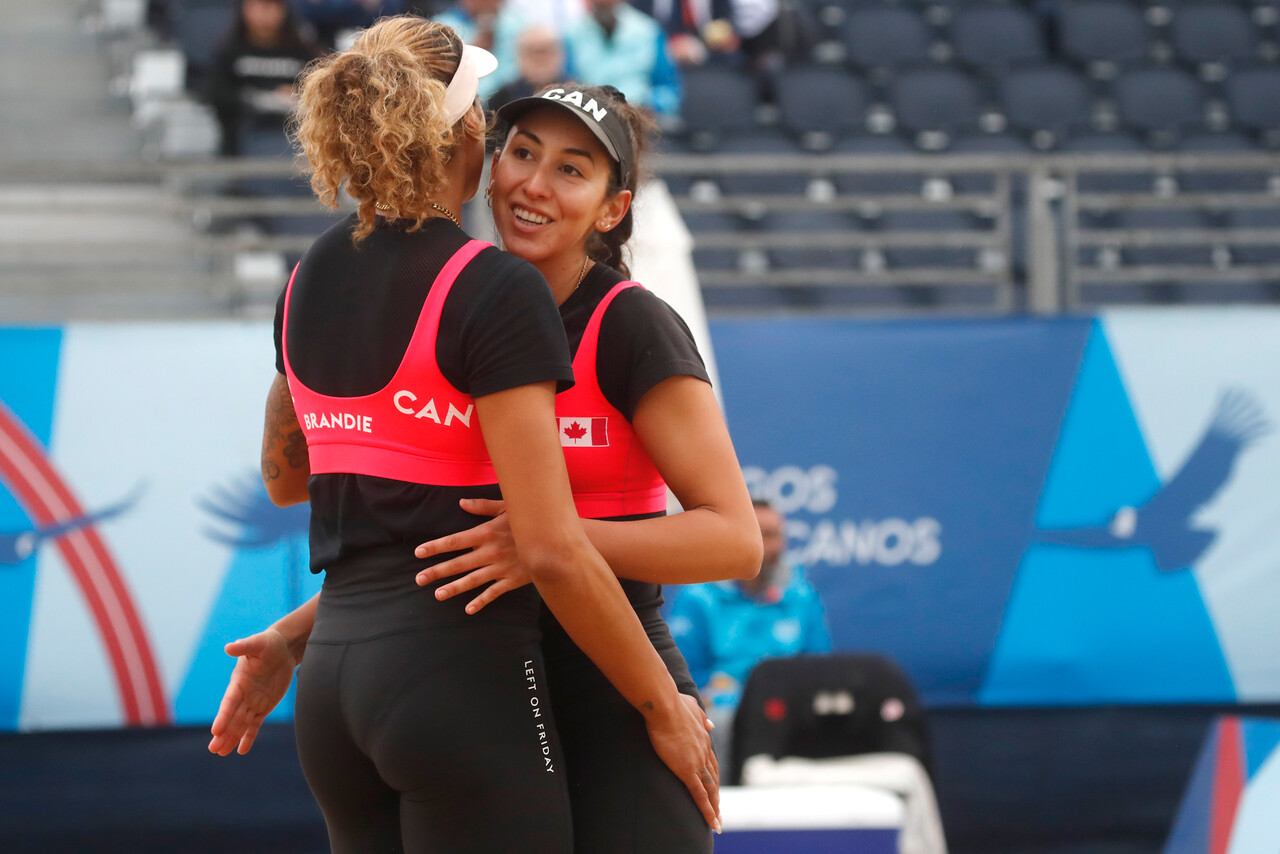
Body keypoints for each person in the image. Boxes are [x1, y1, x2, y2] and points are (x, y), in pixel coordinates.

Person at [210, 82, 764, 852]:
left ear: (612, 208)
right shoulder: (462, 304)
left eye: (572, 170)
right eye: (523, 153)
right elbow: (445, 542)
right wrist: (304, 633)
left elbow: (735, 541)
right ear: (489, 161)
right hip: (484, 669)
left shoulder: (631, 324)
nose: (535, 183)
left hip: (615, 680)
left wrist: (556, 541)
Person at [668, 498, 832, 755]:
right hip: (722, 712)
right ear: (735, 538)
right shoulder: (699, 597)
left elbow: (818, 667)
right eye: (758, 534)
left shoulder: (802, 596)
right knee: (714, 721)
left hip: (787, 708)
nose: (766, 546)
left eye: (773, 535)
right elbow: (683, 676)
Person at [206, 0, 325, 157]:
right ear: (244, 9)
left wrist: (298, 96)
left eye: (270, 5)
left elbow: (322, 91)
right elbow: (216, 94)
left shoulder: (303, 51)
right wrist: (257, 99)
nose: (264, 12)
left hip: (296, 139)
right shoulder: (229, 52)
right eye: (256, 5)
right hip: (241, 138)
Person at [564, 0, 681, 116]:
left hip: (640, 116)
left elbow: (669, 91)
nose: (604, 2)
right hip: (590, 117)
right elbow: (567, 87)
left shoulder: (648, 31)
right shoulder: (572, 35)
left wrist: (645, 105)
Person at [487, 26, 566, 110]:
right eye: (532, 52)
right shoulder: (501, 99)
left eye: (546, 51)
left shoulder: (576, 95)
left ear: (560, 54)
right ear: (519, 56)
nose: (540, 59)